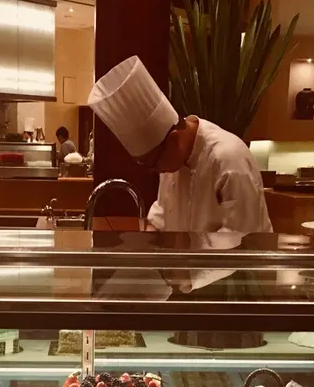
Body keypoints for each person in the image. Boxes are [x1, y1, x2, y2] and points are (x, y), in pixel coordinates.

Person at [88, 56, 271, 295]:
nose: (155, 171)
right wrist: (145, 244)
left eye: (152, 163)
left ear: (173, 139)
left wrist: (187, 275)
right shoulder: (171, 158)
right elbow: (163, 213)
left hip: (236, 288)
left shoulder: (228, 158)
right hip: (189, 284)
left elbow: (244, 239)